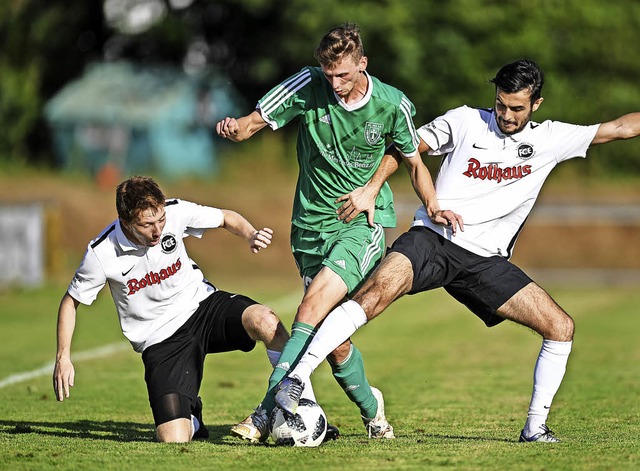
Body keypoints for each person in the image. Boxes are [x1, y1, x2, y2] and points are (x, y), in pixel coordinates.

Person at [276, 58, 640, 442]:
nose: (507, 114)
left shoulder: (551, 138)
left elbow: (619, 128)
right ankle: (296, 379)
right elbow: (406, 146)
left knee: (560, 327)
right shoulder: (465, 120)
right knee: (374, 295)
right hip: (433, 239)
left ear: (537, 104)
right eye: (501, 104)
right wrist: (370, 188)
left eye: (517, 107)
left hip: (485, 261)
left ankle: (535, 428)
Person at [216, 23, 455, 442]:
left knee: (310, 307)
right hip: (308, 226)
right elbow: (253, 122)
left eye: (343, 74)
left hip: (360, 226)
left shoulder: (390, 103)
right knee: (335, 343)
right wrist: (235, 128)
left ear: (362, 64)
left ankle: (263, 411)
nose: (336, 84)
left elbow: (413, 161)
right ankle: (373, 411)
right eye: (329, 75)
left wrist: (430, 203)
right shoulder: (308, 85)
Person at [53, 175, 289, 443]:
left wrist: (251, 234)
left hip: (202, 307)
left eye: (160, 221)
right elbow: (71, 302)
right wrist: (63, 357)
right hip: (160, 339)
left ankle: (298, 405)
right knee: (173, 439)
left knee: (266, 321)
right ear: (126, 222)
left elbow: (225, 217)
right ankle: (193, 418)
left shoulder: (174, 212)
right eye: (147, 224)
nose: (157, 231)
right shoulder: (102, 253)